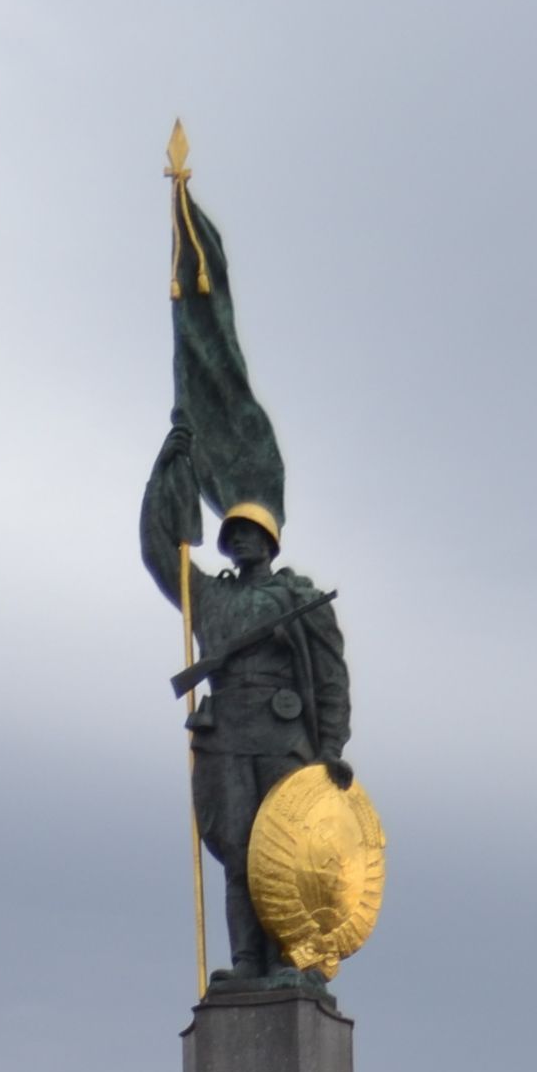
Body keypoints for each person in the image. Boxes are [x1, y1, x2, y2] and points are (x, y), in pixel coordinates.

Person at [138, 422, 359, 988]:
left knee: (285, 856)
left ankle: (292, 959)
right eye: (233, 535)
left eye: (250, 533)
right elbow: (161, 550)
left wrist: (331, 745)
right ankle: (246, 963)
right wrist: (168, 472)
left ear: (270, 541)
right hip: (226, 734)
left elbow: (330, 676)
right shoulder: (209, 598)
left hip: (284, 736)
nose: (241, 541)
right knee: (239, 855)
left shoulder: (300, 600)